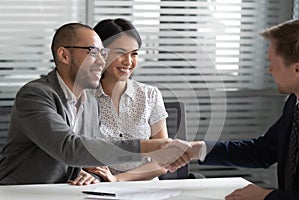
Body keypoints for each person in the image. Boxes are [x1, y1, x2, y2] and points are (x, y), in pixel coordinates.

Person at [0, 22, 193, 185]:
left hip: (68, 191)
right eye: (94, 52)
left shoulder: (89, 101)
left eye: (103, 53)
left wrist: (87, 174)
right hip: (25, 192)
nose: (102, 61)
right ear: (64, 55)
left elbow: (86, 159)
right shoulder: (35, 95)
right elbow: (71, 148)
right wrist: (151, 146)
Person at [188, 19, 299, 200]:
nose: (269, 70)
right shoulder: (294, 103)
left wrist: (265, 196)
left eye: (273, 63)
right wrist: (196, 150)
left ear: (296, 69)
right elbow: (263, 151)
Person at [78, 18, 168, 182]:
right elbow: (73, 151)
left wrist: (119, 179)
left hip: (146, 189)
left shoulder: (150, 95)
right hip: (97, 187)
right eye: (120, 53)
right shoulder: (83, 96)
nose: (128, 61)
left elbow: (162, 160)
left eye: (134, 54)